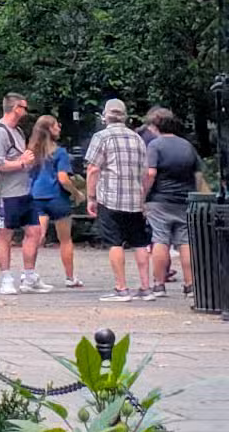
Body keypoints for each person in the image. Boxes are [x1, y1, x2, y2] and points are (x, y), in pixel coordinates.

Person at [85, 98, 151, 302]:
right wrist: (143, 197)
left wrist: (91, 197)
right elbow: (146, 173)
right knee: (140, 242)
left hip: (110, 198)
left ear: (105, 116)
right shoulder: (137, 138)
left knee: (114, 242)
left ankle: (121, 288)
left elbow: (93, 168)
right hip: (135, 199)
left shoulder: (101, 137)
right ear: (125, 116)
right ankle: (146, 287)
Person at [0, 93, 45, 295]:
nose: (26, 112)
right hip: (7, 193)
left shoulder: (18, 131)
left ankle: (29, 277)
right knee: (5, 235)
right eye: (24, 107)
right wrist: (22, 162)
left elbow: (23, 158)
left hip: (25, 190)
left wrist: (29, 160)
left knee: (34, 232)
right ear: (15, 108)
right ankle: (6, 279)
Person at [141, 106, 199, 301]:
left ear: (156, 126)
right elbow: (198, 174)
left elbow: (150, 173)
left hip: (160, 201)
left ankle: (159, 284)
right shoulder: (187, 146)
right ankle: (190, 284)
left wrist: (143, 195)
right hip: (184, 200)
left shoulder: (155, 146)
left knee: (160, 240)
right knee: (185, 242)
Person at [26, 115, 82, 288]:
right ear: (50, 129)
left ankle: (28, 276)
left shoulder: (30, 153)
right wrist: (76, 192)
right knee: (65, 239)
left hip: (36, 197)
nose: (59, 127)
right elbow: (63, 178)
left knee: (35, 237)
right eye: (57, 125)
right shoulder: (60, 153)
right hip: (57, 198)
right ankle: (70, 277)